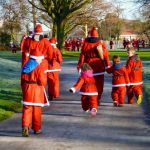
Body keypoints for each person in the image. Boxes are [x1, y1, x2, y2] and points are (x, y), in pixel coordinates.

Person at [77, 27, 111, 105]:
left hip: (88, 66)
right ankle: (97, 99)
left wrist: (80, 65)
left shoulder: (85, 43)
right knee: (99, 84)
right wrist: (107, 65)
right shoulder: (100, 43)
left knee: (88, 84)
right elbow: (105, 55)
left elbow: (82, 55)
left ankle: (88, 99)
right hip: (99, 65)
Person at [21, 49, 49, 137]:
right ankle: (37, 128)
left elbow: (22, 79)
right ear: (37, 59)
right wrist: (44, 83)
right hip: (37, 89)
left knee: (27, 108)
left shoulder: (25, 66)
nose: (41, 60)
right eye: (40, 59)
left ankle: (25, 126)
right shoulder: (39, 67)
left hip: (27, 88)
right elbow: (42, 81)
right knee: (37, 110)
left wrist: (23, 88)